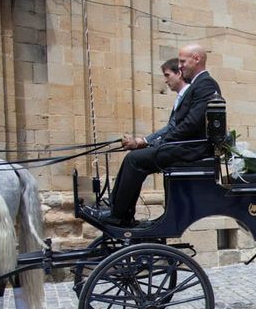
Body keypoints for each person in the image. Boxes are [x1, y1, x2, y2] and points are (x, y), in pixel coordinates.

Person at [95, 44, 222, 226]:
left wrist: (161, 142)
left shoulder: (206, 84)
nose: (180, 66)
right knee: (133, 158)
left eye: (183, 61)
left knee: (135, 160)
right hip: (187, 146)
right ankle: (117, 209)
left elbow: (191, 123)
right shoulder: (199, 85)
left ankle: (119, 215)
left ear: (197, 59)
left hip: (192, 149)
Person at [121, 58, 190, 151]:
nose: (165, 80)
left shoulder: (187, 94)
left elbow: (172, 127)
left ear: (179, 74)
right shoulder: (183, 95)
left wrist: (144, 141)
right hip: (175, 145)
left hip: (182, 148)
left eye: (167, 75)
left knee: (133, 159)